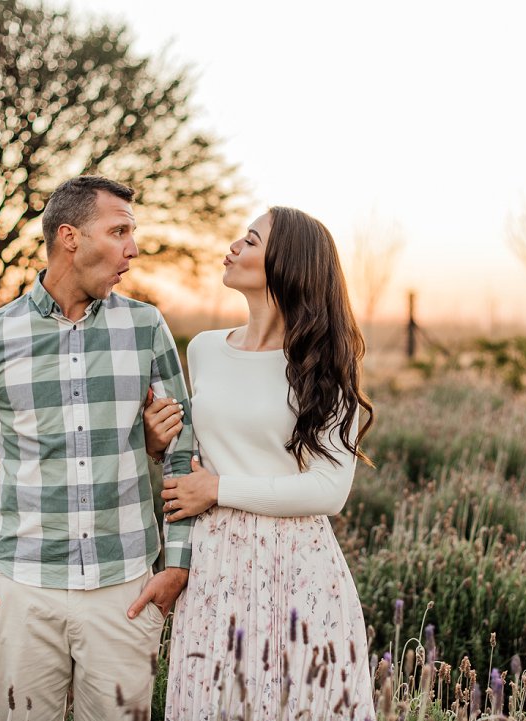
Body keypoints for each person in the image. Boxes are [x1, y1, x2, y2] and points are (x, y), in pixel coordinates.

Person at [0, 175, 194, 721]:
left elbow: (184, 451)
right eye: (118, 231)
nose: (132, 249)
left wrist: (178, 565)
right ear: (69, 237)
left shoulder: (146, 327)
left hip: (125, 591)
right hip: (22, 591)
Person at [144, 206, 376, 720]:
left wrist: (219, 489)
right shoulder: (204, 349)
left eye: (249, 241)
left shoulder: (324, 365)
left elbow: (329, 490)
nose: (232, 247)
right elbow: (193, 452)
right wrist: (159, 444)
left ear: (285, 263)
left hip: (299, 570)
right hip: (214, 566)